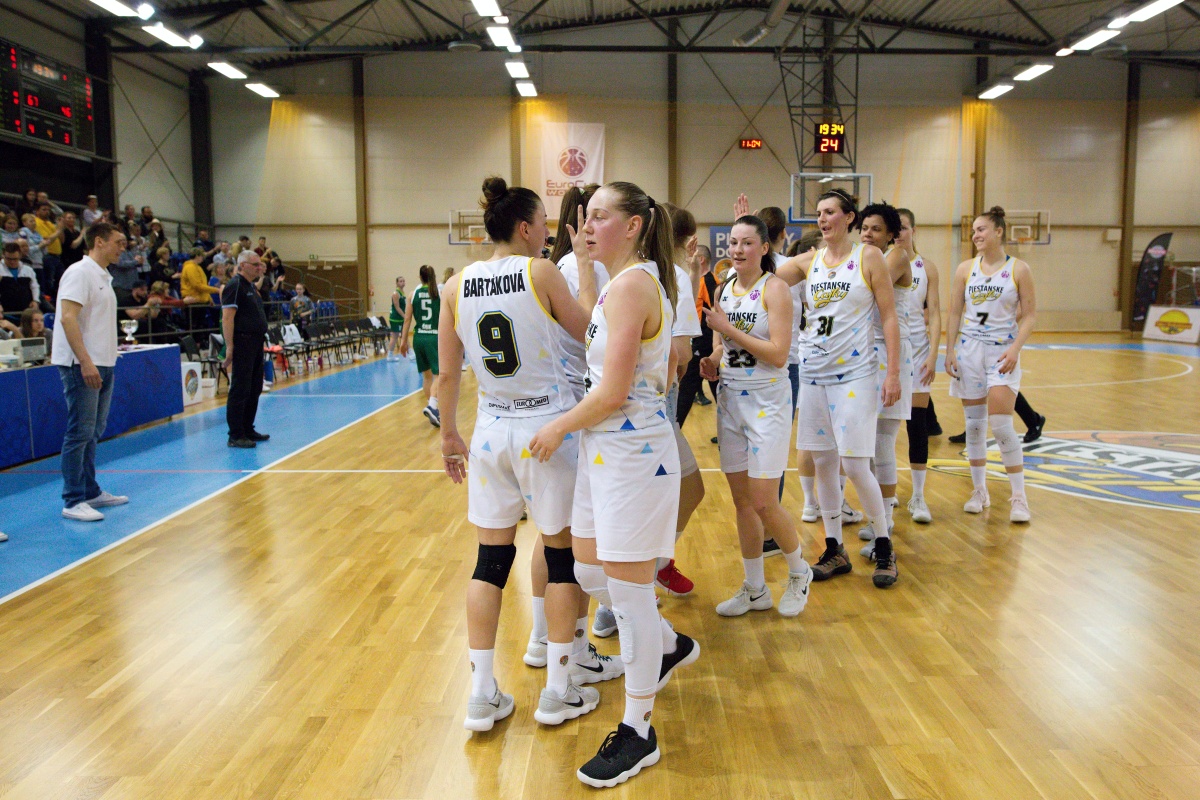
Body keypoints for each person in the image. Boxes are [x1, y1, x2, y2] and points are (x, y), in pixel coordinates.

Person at [529, 182, 700, 788]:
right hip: (603, 449)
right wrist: (581, 262)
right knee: (586, 568)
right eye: (585, 216)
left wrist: (557, 427)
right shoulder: (617, 282)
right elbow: (596, 338)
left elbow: (612, 391)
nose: (587, 225)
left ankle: (638, 730)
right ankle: (665, 642)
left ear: (633, 226)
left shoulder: (634, 286)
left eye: (600, 216)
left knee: (627, 596)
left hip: (633, 454)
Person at [440, 176, 615, 734]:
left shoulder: (454, 284)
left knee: (489, 562)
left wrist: (449, 435)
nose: (547, 232)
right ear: (524, 227)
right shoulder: (540, 272)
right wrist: (584, 268)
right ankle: (558, 690)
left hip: (490, 430)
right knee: (561, 558)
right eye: (543, 224)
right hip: (547, 431)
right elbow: (591, 334)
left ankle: (480, 694)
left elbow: (447, 375)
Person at [771, 188, 902, 588]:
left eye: (830, 212)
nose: (822, 219)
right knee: (824, 463)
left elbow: (889, 317)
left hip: (856, 376)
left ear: (849, 218)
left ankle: (884, 545)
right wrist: (751, 229)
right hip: (814, 375)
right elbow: (764, 276)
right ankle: (834, 548)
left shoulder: (869, 257)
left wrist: (893, 373)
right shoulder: (808, 262)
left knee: (856, 465)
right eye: (819, 213)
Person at [700, 214, 813, 617]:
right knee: (742, 501)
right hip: (731, 398)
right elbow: (721, 344)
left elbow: (779, 354)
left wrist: (729, 329)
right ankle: (755, 588)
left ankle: (799, 571)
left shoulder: (776, 289)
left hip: (768, 400)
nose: (737, 249)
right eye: (733, 242)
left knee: (765, 501)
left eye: (747, 243)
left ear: (764, 248)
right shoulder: (724, 287)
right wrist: (713, 359)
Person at [944, 206, 1037, 523]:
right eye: (974, 231)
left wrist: (1015, 349)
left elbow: (1030, 315)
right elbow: (954, 312)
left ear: (999, 231)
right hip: (969, 352)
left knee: (1000, 425)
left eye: (981, 229)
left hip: (1001, 353)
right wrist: (949, 350)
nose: (976, 235)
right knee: (974, 425)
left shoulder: (1018, 269)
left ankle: (1019, 497)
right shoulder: (965, 269)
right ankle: (979, 491)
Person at [52, 221, 129, 522]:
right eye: (118, 242)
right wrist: (85, 361)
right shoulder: (79, 272)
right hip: (81, 364)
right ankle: (73, 500)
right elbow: (67, 318)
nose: (123, 248)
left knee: (93, 431)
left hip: (104, 362)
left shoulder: (103, 276)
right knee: (80, 431)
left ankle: (89, 490)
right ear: (99, 241)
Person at [855, 202, 913, 558]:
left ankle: (886, 520)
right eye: (864, 227)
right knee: (868, 444)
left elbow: (863, 288)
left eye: (876, 229)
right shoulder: (863, 257)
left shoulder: (898, 256)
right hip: (865, 352)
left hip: (891, 352)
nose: (868, 234)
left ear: (891, 234)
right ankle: (878, 516)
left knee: (882, 443)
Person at [897, 208, 940, 524]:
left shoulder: (927, 267)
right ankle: (886, 493)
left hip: (918, 351)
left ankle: (919, 496)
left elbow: (935, 312)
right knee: (882, 429)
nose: (899, 233)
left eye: (904, 227)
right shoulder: (880, 262)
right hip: (887, 353)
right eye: (895, 228)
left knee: (917, 425)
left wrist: (933, 354)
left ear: (914, 230)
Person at [221, 251, 270, 448]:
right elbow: (227, 318)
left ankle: (248, 428)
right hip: (243, 342)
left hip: (256, 342)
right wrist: (230, 346)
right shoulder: (235, 285)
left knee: (254, 387)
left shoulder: (250, 286)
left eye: (260, 264)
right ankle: (235, 434)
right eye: (255, 264)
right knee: (240, 388)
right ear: (242, 265)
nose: (259, 268)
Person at [400, 265, 441, 427]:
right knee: (439, 375)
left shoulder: (412, 294)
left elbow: (407, 319)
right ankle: (432, 406)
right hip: (433, 337)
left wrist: (403, 341)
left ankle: (434, 409)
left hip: (418, 338)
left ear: (420, 277)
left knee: (427, 377)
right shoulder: (439, 292)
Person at [3, 242, 40, 308]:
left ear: (20, 256)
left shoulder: (28, 270)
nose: (12, 262)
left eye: (15, 259)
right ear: (3, 255)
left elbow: (34, 286)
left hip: (25, 308)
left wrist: (35, 300)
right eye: (9, 259)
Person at [385, 276, 407, 361]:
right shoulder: (396, 293)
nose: (402, 282)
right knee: (394, 336)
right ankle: (389, 355)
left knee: (404, 335)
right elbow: (397, 307)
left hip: (400, 317)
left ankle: (411, 353)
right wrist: (405, 316)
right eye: (400, 281)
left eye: (403, 281)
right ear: (397, 283)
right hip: (395, 318)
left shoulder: (402, 293)